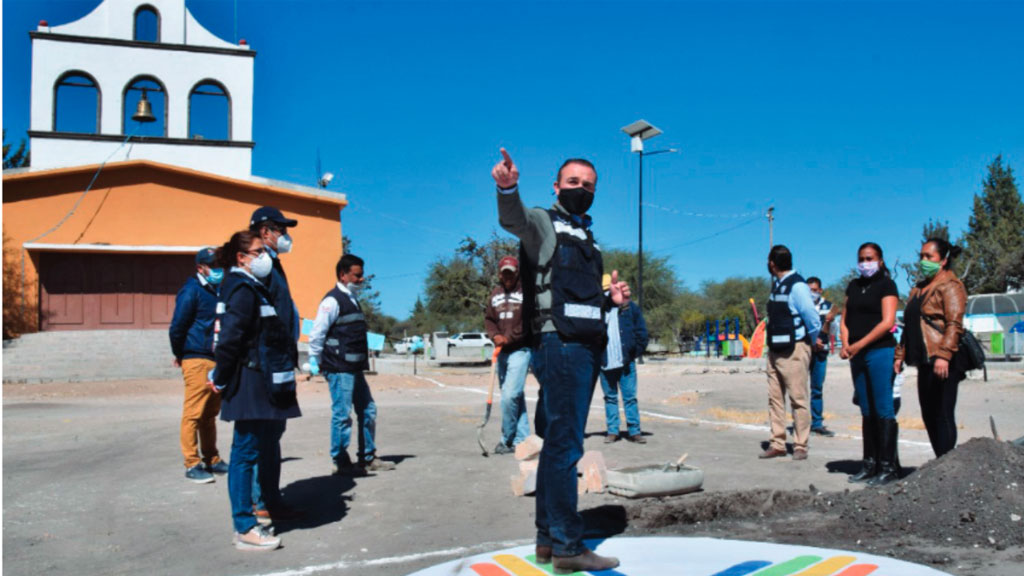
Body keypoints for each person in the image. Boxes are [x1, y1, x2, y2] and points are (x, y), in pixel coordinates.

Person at [492, 148, 625, 573]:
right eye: (573, 183)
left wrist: (609, 300)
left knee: (556, 445)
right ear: (556, 186)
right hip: (560, 346)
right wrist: (507, 187)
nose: (581, 190)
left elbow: (573, 296)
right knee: (567, 446)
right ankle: (570, 545)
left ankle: (548, 540)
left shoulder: (587, 235)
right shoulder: (543, 223)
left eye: (589, 186)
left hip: (582, 344)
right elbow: (513, 219)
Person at [212, 230, 301, 551]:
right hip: (249, 381)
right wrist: (220, 378)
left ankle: (262, 510)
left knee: (258, 447)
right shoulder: (241, 289)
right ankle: (244, 527)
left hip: (263, 380)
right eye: (258, 251)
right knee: (244, 453)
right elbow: (229, 340)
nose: (264, 256)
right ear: (241, 257)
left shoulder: (253, 287)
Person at [308, 254, 395, 473]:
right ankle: (341, 461)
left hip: (354, 369)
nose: (361, 279)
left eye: (361, 275)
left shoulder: (353, 299)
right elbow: (317, 333)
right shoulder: (332, 301)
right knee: (342, 414)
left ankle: (367, 457)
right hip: (338, 369)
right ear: (343, 275)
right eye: (357, 275)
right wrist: (315, 359)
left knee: (368, 411)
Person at [247, 207, 300, 520]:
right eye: (280, 229)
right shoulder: (260, 264)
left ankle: (270, 498)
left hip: (279, 359)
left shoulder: (273, 264)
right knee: (263, 435)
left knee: (273, 434)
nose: (285, 235)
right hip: (267, 361)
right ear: (265, 232)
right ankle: (260, 501)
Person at [894, 238, 967, 458]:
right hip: (923, 360)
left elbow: (954, 323)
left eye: (929, 257)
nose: (924, 261)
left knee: (943, 413)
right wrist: (900, 354)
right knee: (928, 413)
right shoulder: (918, 289)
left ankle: (947, 464)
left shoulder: (951, 285)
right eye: (922, 256)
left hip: (942, 360)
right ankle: (940, 462)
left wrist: (944, 355)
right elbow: (909, 325)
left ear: (943, 260)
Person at [841, 242, 900, 486]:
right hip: (856, 354)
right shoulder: (854, 286)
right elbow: (844, 319)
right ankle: (869, 463)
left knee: (883, 408)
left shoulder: (886, 285)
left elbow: (887, 322)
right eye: (862, 259)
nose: (865, 263)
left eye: (870, 258)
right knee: (866, 408)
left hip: (879, 351)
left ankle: (888, 467)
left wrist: (859, 344)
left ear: (880, 260)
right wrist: (846, 343)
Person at [169, 247, 227, 483]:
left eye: (220, 266)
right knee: (193, 413)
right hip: (196, 357)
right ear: (200, 268)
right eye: (213, 266)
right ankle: (192, 462)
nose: (218, 270)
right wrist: (180, 353)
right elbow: (177, 326)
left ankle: (212, 459)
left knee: (209, 413)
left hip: (215, 358)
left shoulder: (217, 291)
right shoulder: (191, 290)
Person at [760, 245, 821, 461]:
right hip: (775, 351)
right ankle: (777, 443)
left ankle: (800, 445)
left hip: (794, 349)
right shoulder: (777, 286)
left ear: (772, 263)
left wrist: (812, 342)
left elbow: (812, 318)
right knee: (775, 399)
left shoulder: (798, 286)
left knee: (798, 398)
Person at [483, 255, 532, 455]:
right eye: (505, 273)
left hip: (520, 350)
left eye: (511, 272)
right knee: (514, 397)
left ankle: (507, 439)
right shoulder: (494, 294)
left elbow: (528, 321)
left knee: (509, 396)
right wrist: (495, 336)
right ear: (500, 274)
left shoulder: (526, 293)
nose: (508, 276)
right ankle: (523, 438)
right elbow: (489, 319)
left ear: (517, 271)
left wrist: (509, 337)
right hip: (502, 352)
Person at [599, 274, 650, 444]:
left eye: (610, 290)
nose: (607, 294)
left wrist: (633, 353)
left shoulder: (630, 309)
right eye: (605, 291)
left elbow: (642, 333)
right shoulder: (598, 311)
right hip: (605, 362)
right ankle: (612, 431)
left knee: (630, 398)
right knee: (610, 398)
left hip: (625, 363)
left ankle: (634, 431)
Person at [806, 276, 838, 437]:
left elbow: (833, 332)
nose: (812, 293)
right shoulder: (802, 307)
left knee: (817, 388)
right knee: (798, 389)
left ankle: (817, 422)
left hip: (821, 353)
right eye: (809, 290)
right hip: (804, 352)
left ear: (820, 290)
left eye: (814, 290)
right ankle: (802, 422)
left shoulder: (828, 307)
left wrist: (831, 322)